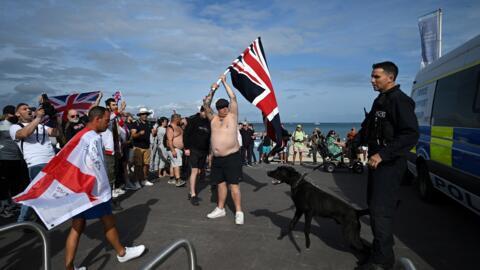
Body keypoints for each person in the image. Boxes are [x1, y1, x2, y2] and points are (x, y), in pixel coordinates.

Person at [354, 61, 419, 270]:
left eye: (376, 77)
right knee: (374, 208)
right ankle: (379, 251)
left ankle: (382, 261)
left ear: (390, 77)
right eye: (372, 76)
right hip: (376, 162)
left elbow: (410, 134)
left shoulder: (401, 101)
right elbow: (368, 128)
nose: (372, 80)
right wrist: (354, 143)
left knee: (381, 211)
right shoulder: (380, 100)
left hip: (389, 164)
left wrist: (382, 154)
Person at [64, 106, 145, 270]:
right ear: (97, 119)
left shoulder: (80, 135)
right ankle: (122, 253)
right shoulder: (93, 138)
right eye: (107, 121)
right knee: (108, 220)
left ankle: (69, 267)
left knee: (77, 227)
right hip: (93, 190)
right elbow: (96, 167)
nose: (108, 124)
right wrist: (105, 189)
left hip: (80, 189)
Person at [203, 75, 244, 225]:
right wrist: (212, 90)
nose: (224, 109)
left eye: (225, 106)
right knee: (220, 184)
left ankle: (239, 211)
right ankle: (221, 208)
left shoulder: (232, 116)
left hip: (232, 157)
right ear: (218, 109)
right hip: (217, 158)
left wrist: (225, 83)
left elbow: (233, 98)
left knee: (233, 185)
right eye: (221, 107)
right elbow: (206, 104)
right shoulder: (213, 119)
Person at [10, 100, 59, 222]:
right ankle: (23, 220)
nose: (28, 110)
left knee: (46, 191)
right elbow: (25, 133)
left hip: (51, 162)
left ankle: (39, 218)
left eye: (29, 108)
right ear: (17, 114)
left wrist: (56, 119)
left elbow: (56, 133)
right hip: (36, 163)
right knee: (36, 192)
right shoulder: (15, 127)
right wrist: (38, 117)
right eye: (24, 109)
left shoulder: (42, 126)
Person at [0, 105, 30, 218]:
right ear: (8, 114)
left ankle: (14, 203)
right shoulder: (1, 125)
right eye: (13, 113)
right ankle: (4, 207)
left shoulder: (15, 126)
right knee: (4, 185)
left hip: (17, 158)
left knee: (16, 183)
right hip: (4, 158)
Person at [183, 107, 211, 205]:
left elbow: (209, 139)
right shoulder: (194, 120)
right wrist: (186, 148)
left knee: (199, 171)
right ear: (201, 111)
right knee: (194, 170)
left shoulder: (208, 122)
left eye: (208, 112)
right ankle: (193, 194)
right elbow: (186, 134)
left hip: (203, 151)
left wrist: (208, 153)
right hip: (193, 149)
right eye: (205, 112)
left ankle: (191, 190)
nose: (206, 114)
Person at [131, 107, 156, 187]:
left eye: (146, 114)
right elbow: (133, 135)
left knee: (146, 165)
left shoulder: (149, 123)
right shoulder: (136, 123)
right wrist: (139, 134)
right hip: (138, 147)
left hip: (147, 147)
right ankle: (136, 181)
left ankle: (144, 179)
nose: (145, 115)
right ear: (140, 115)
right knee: (138, 165)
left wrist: (154, 132)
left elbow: (153, 134)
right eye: (143, 114)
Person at [166, 113, 186, 187]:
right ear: (176, 119)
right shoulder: (170, 127)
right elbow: (169, 140)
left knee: (173, 164)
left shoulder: (178, 126)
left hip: (179, 149)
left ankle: (172, 179)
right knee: (177, 164)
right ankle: (178, 180)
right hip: (174, 148)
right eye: (179, 119)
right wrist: (173, 150)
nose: (180, 120)